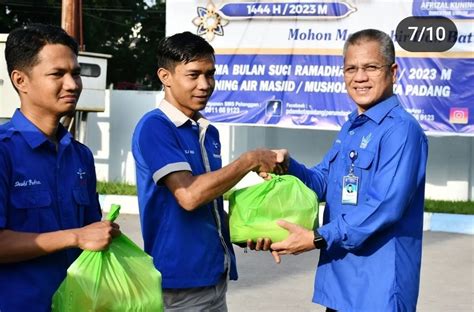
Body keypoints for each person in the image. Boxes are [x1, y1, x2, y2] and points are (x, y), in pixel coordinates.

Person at [268, 29, 428, 311]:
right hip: (340, 286)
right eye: (351, 69)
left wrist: (318, 237)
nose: (360, 77)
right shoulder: (352, 126)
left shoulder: (402, 131)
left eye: (370, 67)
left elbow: (384, 207)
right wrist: (287, 167)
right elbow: (322, 181)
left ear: (393, 71)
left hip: (378, 290)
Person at [131, 31, 281, 311]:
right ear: (165, 76)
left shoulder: (206, 131)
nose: (205, 84)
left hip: (215, 278)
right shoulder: (156, 127)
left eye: (210, 74)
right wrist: (249, 160)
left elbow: (211, 206)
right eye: (194, 75)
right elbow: (189, 195)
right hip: (178, 287)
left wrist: (255, 230)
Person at [0, 24, 120, 311]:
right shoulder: (4, 152)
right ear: (21, 80)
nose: (72, 84)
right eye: (58, 74)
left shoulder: (80, 156)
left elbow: (92, 235)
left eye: (75, 73)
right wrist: (76, 236)